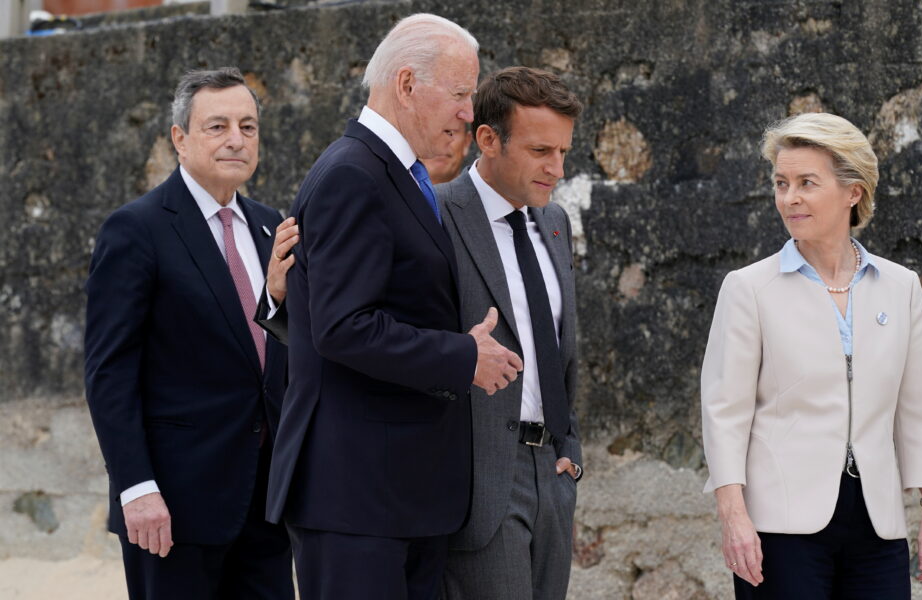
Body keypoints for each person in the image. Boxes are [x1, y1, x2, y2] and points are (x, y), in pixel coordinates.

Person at [265, 14, 523, 600]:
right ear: (406, 84)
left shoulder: (395, 174)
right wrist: (463, 357)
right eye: (459, 94)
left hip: (400, 493)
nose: (468, 113)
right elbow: (342, 327)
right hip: (357, 499)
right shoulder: (353, 174)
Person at [700, 111, 922, 599]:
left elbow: (919, 410)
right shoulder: (749, 288)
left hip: (877, 526)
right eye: (781, 183)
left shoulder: (900, 287)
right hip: (780, 527)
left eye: (806, 183)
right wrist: (733, 516)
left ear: (852, 192)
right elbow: (724, 412)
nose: (789, 198)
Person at [83, 67, 295, 599]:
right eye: (217, 126)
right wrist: (136, 487)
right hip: (173, 507)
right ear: (179, 138)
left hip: (267, 501)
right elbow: (109, 373)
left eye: (248, 127)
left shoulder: (270, 225)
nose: (236, 140)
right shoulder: (136, 229)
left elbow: (277, 348)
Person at [436, 66, 584, 600]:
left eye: (563, 152)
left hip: (554, 472)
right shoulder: (437, 213)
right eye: (540, 150)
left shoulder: (555, 221)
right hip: (480, 483)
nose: (556, 168)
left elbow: (560, 348)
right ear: (488, 139)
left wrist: (569, 447)